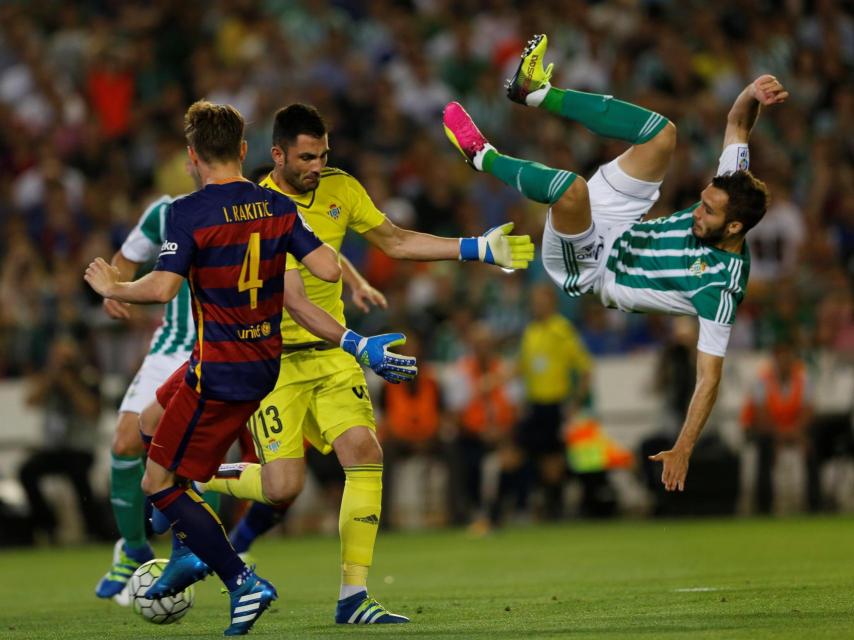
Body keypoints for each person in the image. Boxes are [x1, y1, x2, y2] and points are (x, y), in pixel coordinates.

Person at [84, 100, 415, 636]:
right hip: (260, 359)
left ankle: (237, 577)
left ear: (193, 156)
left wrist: (113, 286)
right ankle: (189, 539)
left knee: (158, 482)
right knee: (147, 424)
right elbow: (326, 269)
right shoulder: (276, 204)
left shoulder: (188, 211)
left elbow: (162, 289)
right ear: (243, 149)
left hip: (220, 368)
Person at [197, 103, 535, 625]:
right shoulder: (256, 207)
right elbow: (295, 301)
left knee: (364, 452)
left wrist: (475, 248)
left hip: (332, 355)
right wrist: (359, 342)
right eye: (306, 158)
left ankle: (353, 596)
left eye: (323, 155)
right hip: (274, 360)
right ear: (278, 154)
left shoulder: (341, 188)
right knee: (283, 487)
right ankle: (194, 474)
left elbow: (395, 240)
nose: (317, 166)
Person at [442, 34, 788, 492]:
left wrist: (684, 447)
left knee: (570, 190)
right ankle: (535, 91)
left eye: (707, 211)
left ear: (734, 228)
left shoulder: (719, 289)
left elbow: (708, 379)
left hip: (592, 267)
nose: (696, 211)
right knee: (662, 134)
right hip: (621, 221)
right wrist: (751, 92)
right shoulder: (731, 192)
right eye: (702, 201)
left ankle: (482, 157)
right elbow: (737, 123)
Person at [18, 336, 103, 543]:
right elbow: (30, 401)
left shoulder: (88, 379)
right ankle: (46, 525)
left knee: (79, 475)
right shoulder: (48, 379)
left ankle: (94, 529)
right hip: (52, 448)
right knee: (27, 472)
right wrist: (51, 377)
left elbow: (92, 411)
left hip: (79, 448)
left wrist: (70, 385)